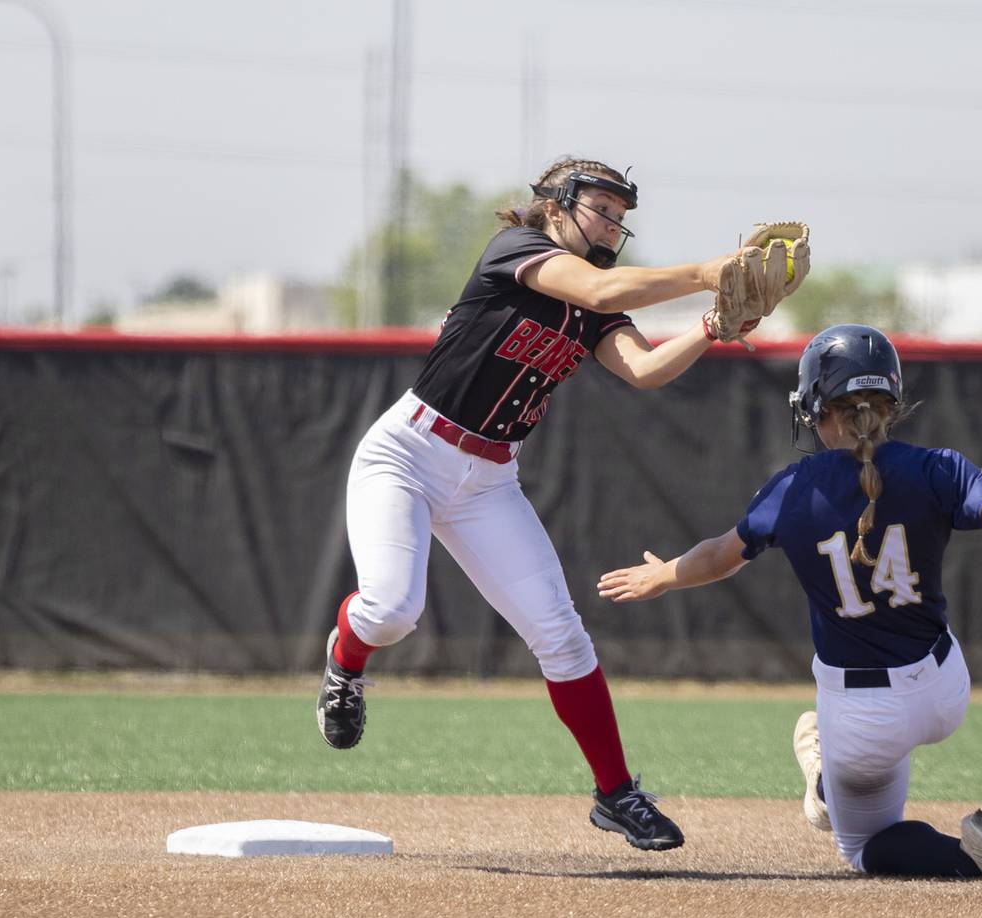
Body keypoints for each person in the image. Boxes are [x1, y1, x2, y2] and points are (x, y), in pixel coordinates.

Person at [317, 157, 793, 853]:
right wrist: (706, 270)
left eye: (620, 218)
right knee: (392, 609)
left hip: (489, 481)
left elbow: (644, 368)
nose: (611, 224)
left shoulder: (599, 301)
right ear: (554, 205)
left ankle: (616, 792)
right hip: (409, 456)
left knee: (562, 635)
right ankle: (346, 656)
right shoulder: (518, 251)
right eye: (601, 208)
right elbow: (600, 285)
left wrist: (710, 325)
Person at [597, 324, 982, 877]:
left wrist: (665, 576)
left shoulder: (794, 487)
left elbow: (720, 557)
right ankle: (829, 778)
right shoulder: (939, 467)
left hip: (863, 715)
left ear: (815, 408)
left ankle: (976, 858)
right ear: (891, 403)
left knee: (865, 845)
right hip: (945, 688)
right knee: (857, 763)